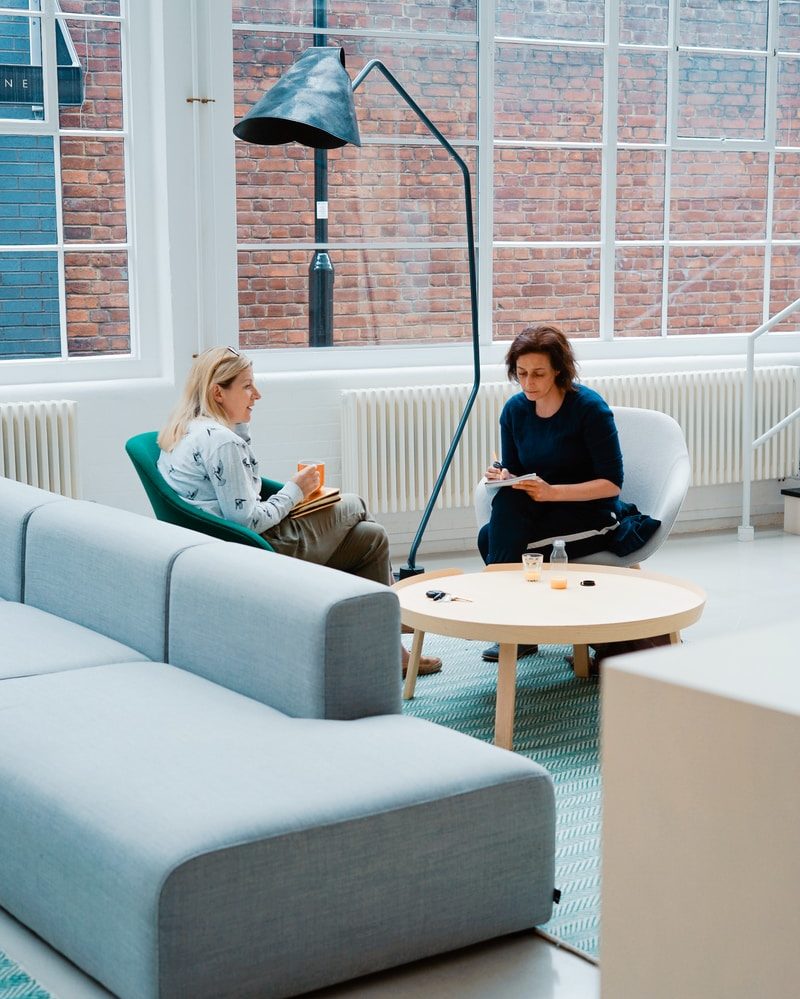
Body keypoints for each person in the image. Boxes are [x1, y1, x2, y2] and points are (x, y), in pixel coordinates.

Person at [157, 346, 441, 676]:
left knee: (371, 537)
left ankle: (389, 649)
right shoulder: (222, 443)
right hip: (258, 550)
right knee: (355, 503)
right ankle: (396, 618)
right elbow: (246, 520)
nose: (257, 394)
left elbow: (238, 497)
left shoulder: (191, 430)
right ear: (217, 392)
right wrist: (295, 490)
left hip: (228, 547)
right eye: (247, 386)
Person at [479, 324, 626, 663]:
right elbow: (516, 471)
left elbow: (612, 483)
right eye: (522, 373)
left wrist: (552, 493)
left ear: (559, 369)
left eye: (538, 374)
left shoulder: (589, 409)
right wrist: (503, 475)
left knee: (491, 539)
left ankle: (511, 625)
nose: (528, 383)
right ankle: (518, 627)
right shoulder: (515, 410)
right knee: (498, 518)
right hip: (541, 508)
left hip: (591, 513)